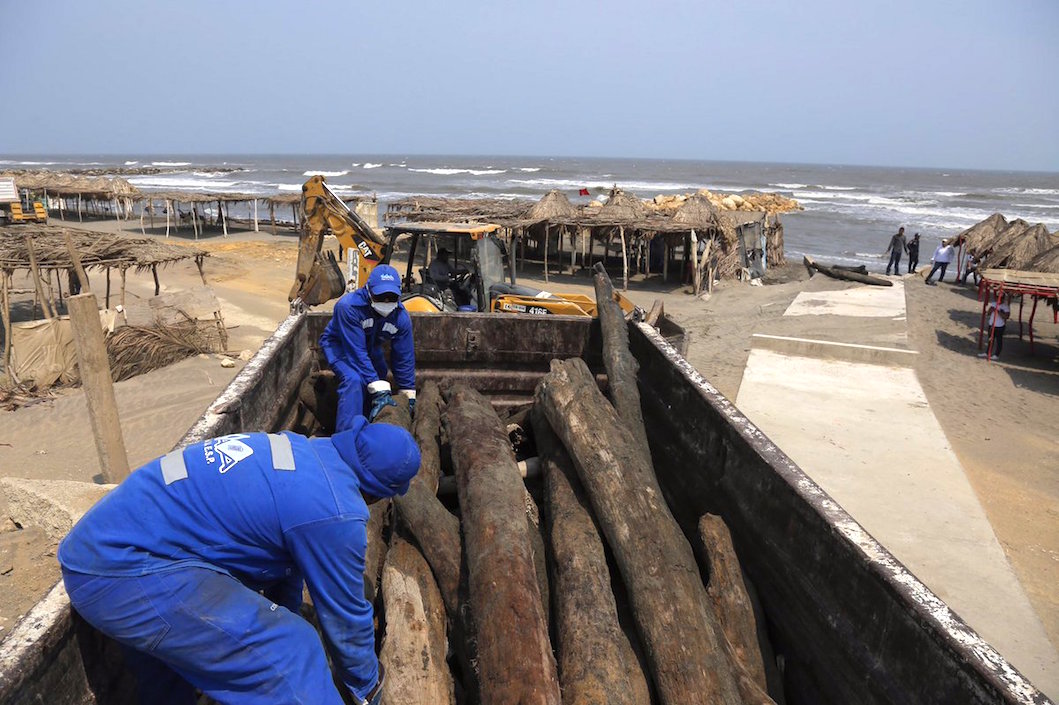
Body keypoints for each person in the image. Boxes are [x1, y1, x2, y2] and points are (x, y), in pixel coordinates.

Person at [57, 420, 421, 705]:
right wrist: (367, 687)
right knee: (296, 650)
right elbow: (345, 615)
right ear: (380, 492)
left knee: (167, 674)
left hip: (96, 551)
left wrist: (284, 609)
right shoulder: (336, 513)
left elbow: (287, 563)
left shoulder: (306, 451)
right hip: (124, 574)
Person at [321, 264, 415, 430]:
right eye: (381, 297)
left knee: (380, 374)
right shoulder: (349, 307)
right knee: (354, 380)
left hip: (370, 346)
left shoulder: (401, 318)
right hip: (340, 346)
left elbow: (404, 356)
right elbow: (356, 353)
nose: (386, 302)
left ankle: (368, 421)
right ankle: (347, 435)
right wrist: (376, 386)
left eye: (391, 297)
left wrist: (407, 391)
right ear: (369, 291)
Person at [978, 294, 1010, 360]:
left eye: (1001, 298)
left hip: (1000, 326)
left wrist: (998, 311)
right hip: (992, 324)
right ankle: (987, 353)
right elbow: (988, 313)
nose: (999, 299)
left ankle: (996, 355)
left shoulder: (1005, 306)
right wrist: (991, 310)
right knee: (990, 340)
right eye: (998, 297)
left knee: (999, 341)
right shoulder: (993, 304)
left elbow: (1006, 317)